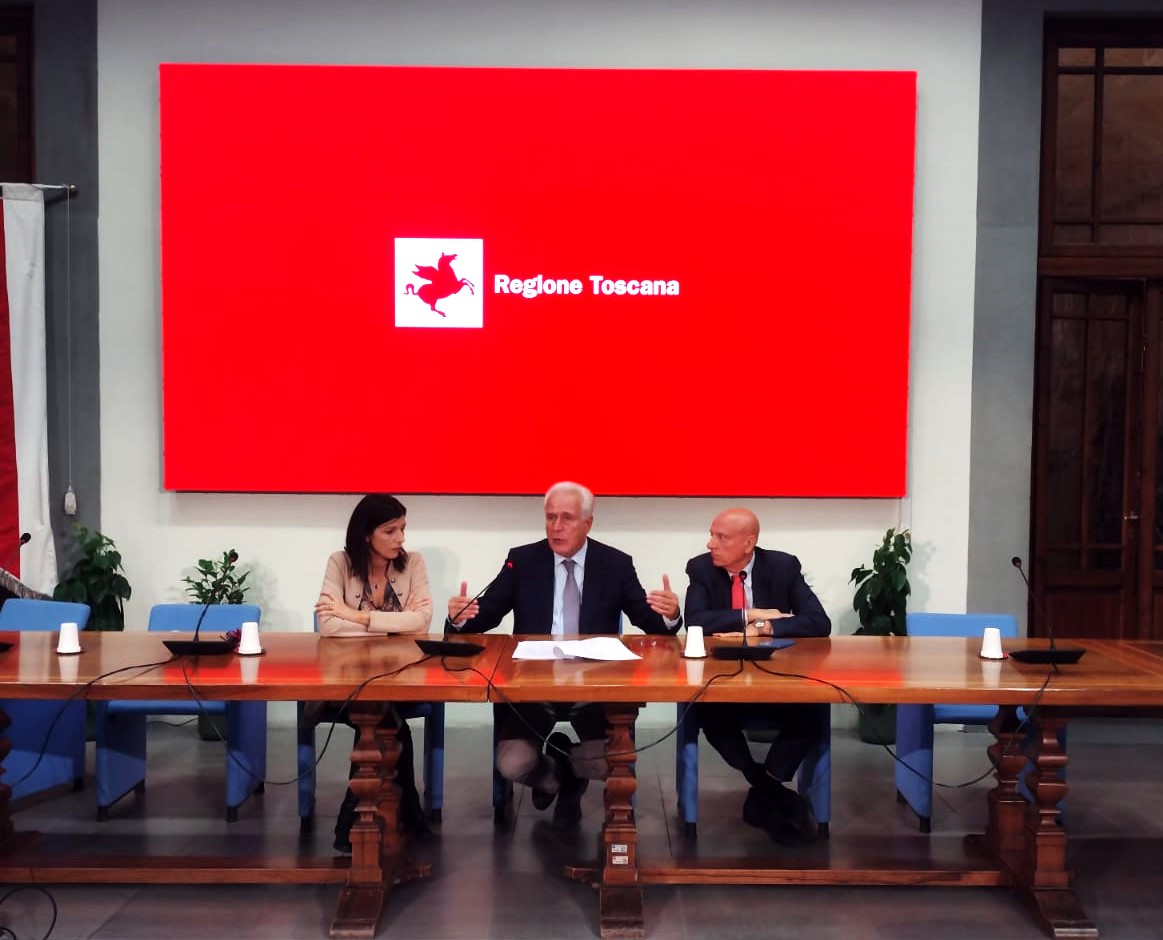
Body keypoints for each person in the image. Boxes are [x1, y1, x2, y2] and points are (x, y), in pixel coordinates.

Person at [447, 480, 681, 829]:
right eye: (551, 517)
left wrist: (670, 615)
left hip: (595, 687)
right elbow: (486, 614)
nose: (557, 527)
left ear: (588, 522)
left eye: (567, 518)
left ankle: (565, 760)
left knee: (612, 761)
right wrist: (460, 616)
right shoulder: (522, 561)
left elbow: (651, 623)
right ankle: (555, 776)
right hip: (531, 686)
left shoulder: (614, 564)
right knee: (511, 763)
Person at [685, 507, 831, 845]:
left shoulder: (783, 566)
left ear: (749, 543)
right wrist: (747, 614)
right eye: (711, 534)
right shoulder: (701, 569)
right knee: (706, 709)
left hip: (778, 678)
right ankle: (767, 789)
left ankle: (762, 794)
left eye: (721, 537)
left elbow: (818, 623)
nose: (711, 544)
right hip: (723, 680)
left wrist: (764, 626)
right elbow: (696, 621)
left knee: (812, 710)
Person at [313, 493, 433, 853]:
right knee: (386, 722)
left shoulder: (413, 564)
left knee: (382, 717)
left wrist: (357, 616)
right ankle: (404, 810)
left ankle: (354, 824)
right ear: (367, 534)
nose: (401, 539)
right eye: (390, 530)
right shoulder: (340, 562)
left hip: (402, 676)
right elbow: (327, 625)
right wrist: (392, 626)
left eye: (403, 529)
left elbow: (421, 622)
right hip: (345, 677)